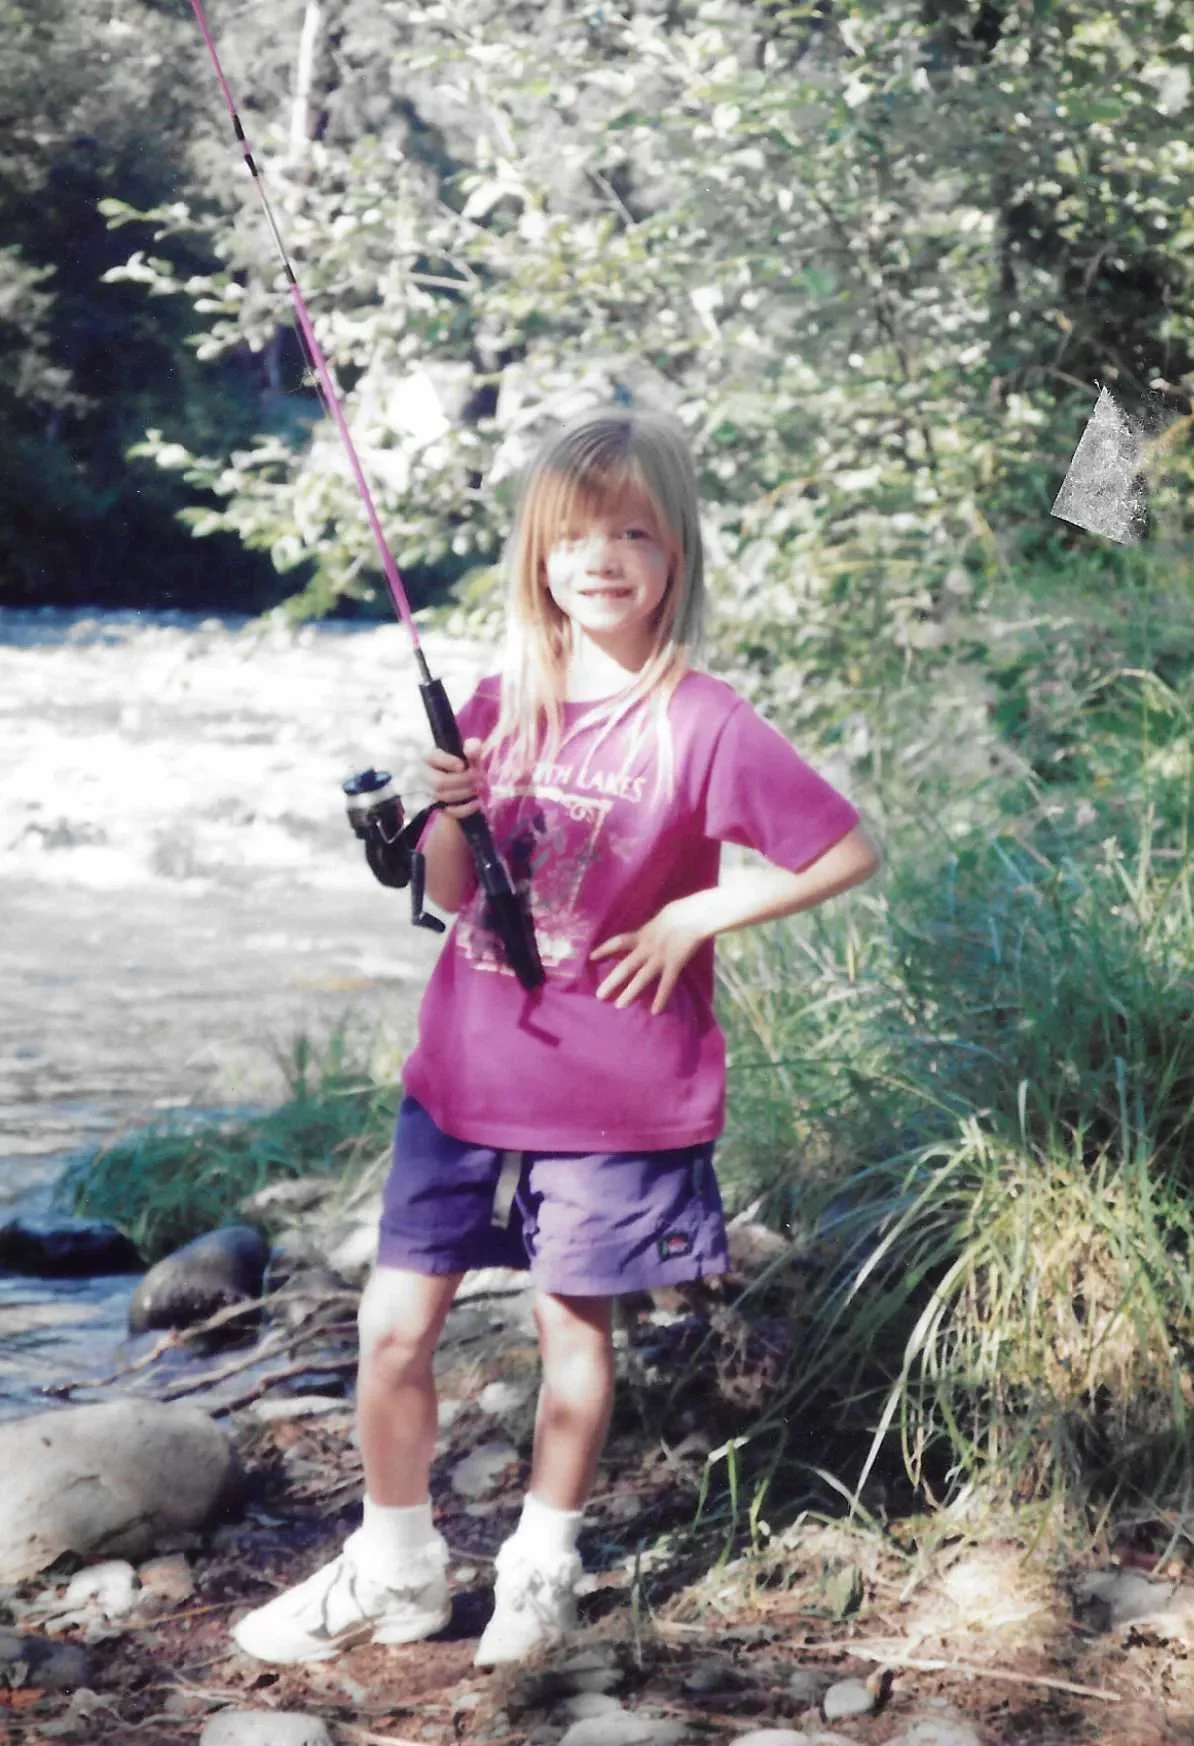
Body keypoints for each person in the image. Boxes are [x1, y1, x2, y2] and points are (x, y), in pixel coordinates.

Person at [231, 404, 880, 1670]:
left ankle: (543, 1563)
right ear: (539, 552)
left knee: (570, 1334)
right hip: (463, 1077)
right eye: (576, 533)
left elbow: (844, 847)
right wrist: (444, 807)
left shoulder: (703, 719)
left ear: (674, 554)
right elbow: (458, 890)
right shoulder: (495, 699)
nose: (603, 556)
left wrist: (700, 908)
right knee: (392, 1330)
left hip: (614, 1094)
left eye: (634, 530)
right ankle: (396, 1562)